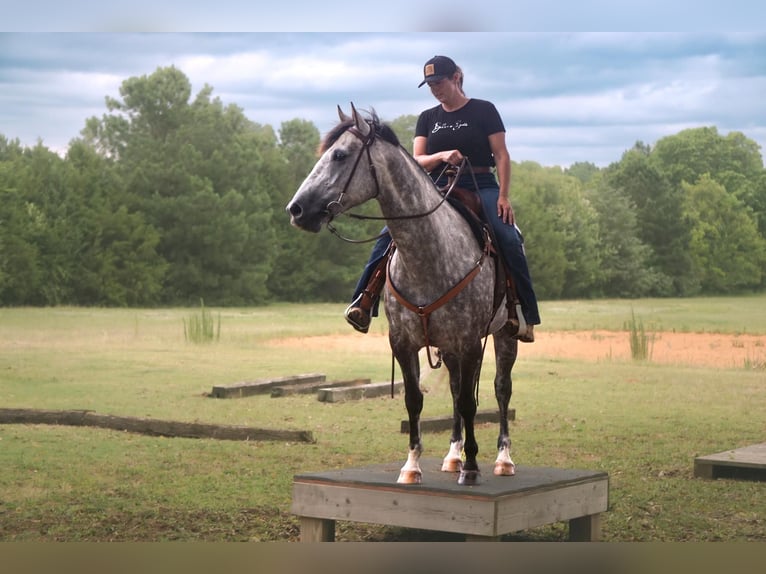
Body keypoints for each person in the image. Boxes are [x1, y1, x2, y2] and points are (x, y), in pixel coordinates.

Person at [344, 55, 540, 342]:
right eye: (430, 85)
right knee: (389, 235)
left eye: (439, 83)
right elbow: (417, 160)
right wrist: (441, 156)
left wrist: (504, 196)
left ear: (456, 78)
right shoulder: (428, 118)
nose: (435, 89)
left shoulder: (484, 110)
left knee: (507, 236)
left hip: (480, 183)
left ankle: (523, 313)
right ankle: (363, 300)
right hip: (436, 187)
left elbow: (502, 155)